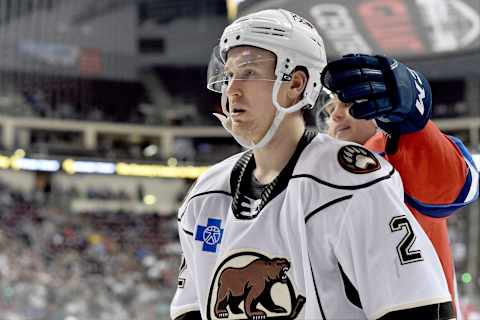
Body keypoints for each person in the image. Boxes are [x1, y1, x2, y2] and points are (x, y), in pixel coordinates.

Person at [171, 9, 454, 320]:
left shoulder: (352, 183)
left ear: (295, 84)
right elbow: (192, 310)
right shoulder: (205, 196)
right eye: (229, 74)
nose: (232, 89)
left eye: (249, 72)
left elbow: (420, 308)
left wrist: (417, 128)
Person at [319, 54, 479, 317]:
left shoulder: (394, 156)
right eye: (329, 109)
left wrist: (409, 125)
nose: (335, 115)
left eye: (349, 104)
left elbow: (457, 184)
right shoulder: (313, 177)